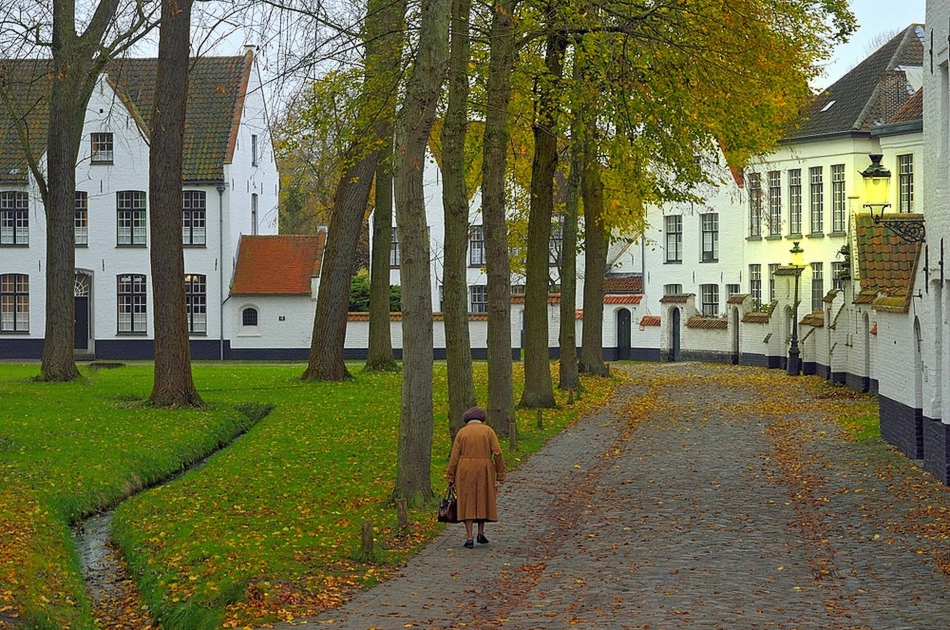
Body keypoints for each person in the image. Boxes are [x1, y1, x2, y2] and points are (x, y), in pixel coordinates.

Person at [446, 406, 506, 549]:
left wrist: (450, 476)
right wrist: (500, 473)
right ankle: (481, 532)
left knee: (467, 500)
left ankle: (469, 537)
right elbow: (497, 452)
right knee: (483, 498)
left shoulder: (462, 432)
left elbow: (454, 456)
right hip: (485, 468)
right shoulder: (488, 431)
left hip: (465, 468)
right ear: (482, 419)